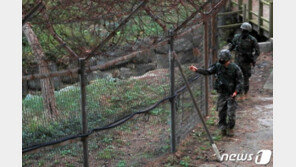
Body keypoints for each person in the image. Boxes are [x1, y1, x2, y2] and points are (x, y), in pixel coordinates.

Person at [189, 49, 243, 136]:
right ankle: (223, 128)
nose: (222, 61)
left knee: (231, 113)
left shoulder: (235, 68)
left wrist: (236, 91)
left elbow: (240, 81)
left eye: (224, 59)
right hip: (222, 93)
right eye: (221, 59)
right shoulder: (218, 66)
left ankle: (230, 128)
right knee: (222, 112)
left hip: (231, 93)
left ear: (228, 59)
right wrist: (197, 70)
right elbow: (208, 72)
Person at [229, 22, 260, 100]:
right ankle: (237, 93)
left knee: (246, 77)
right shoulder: (237, 37)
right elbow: (231, 47)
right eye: (243, 30)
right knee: (236, 77)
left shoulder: (252, 40)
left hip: (246, 62)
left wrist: (253, 59)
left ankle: (245, 94)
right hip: (237, 60)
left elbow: (257, 52)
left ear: (248, 32)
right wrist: (228, 52)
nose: (244, 32)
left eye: (245, 31)